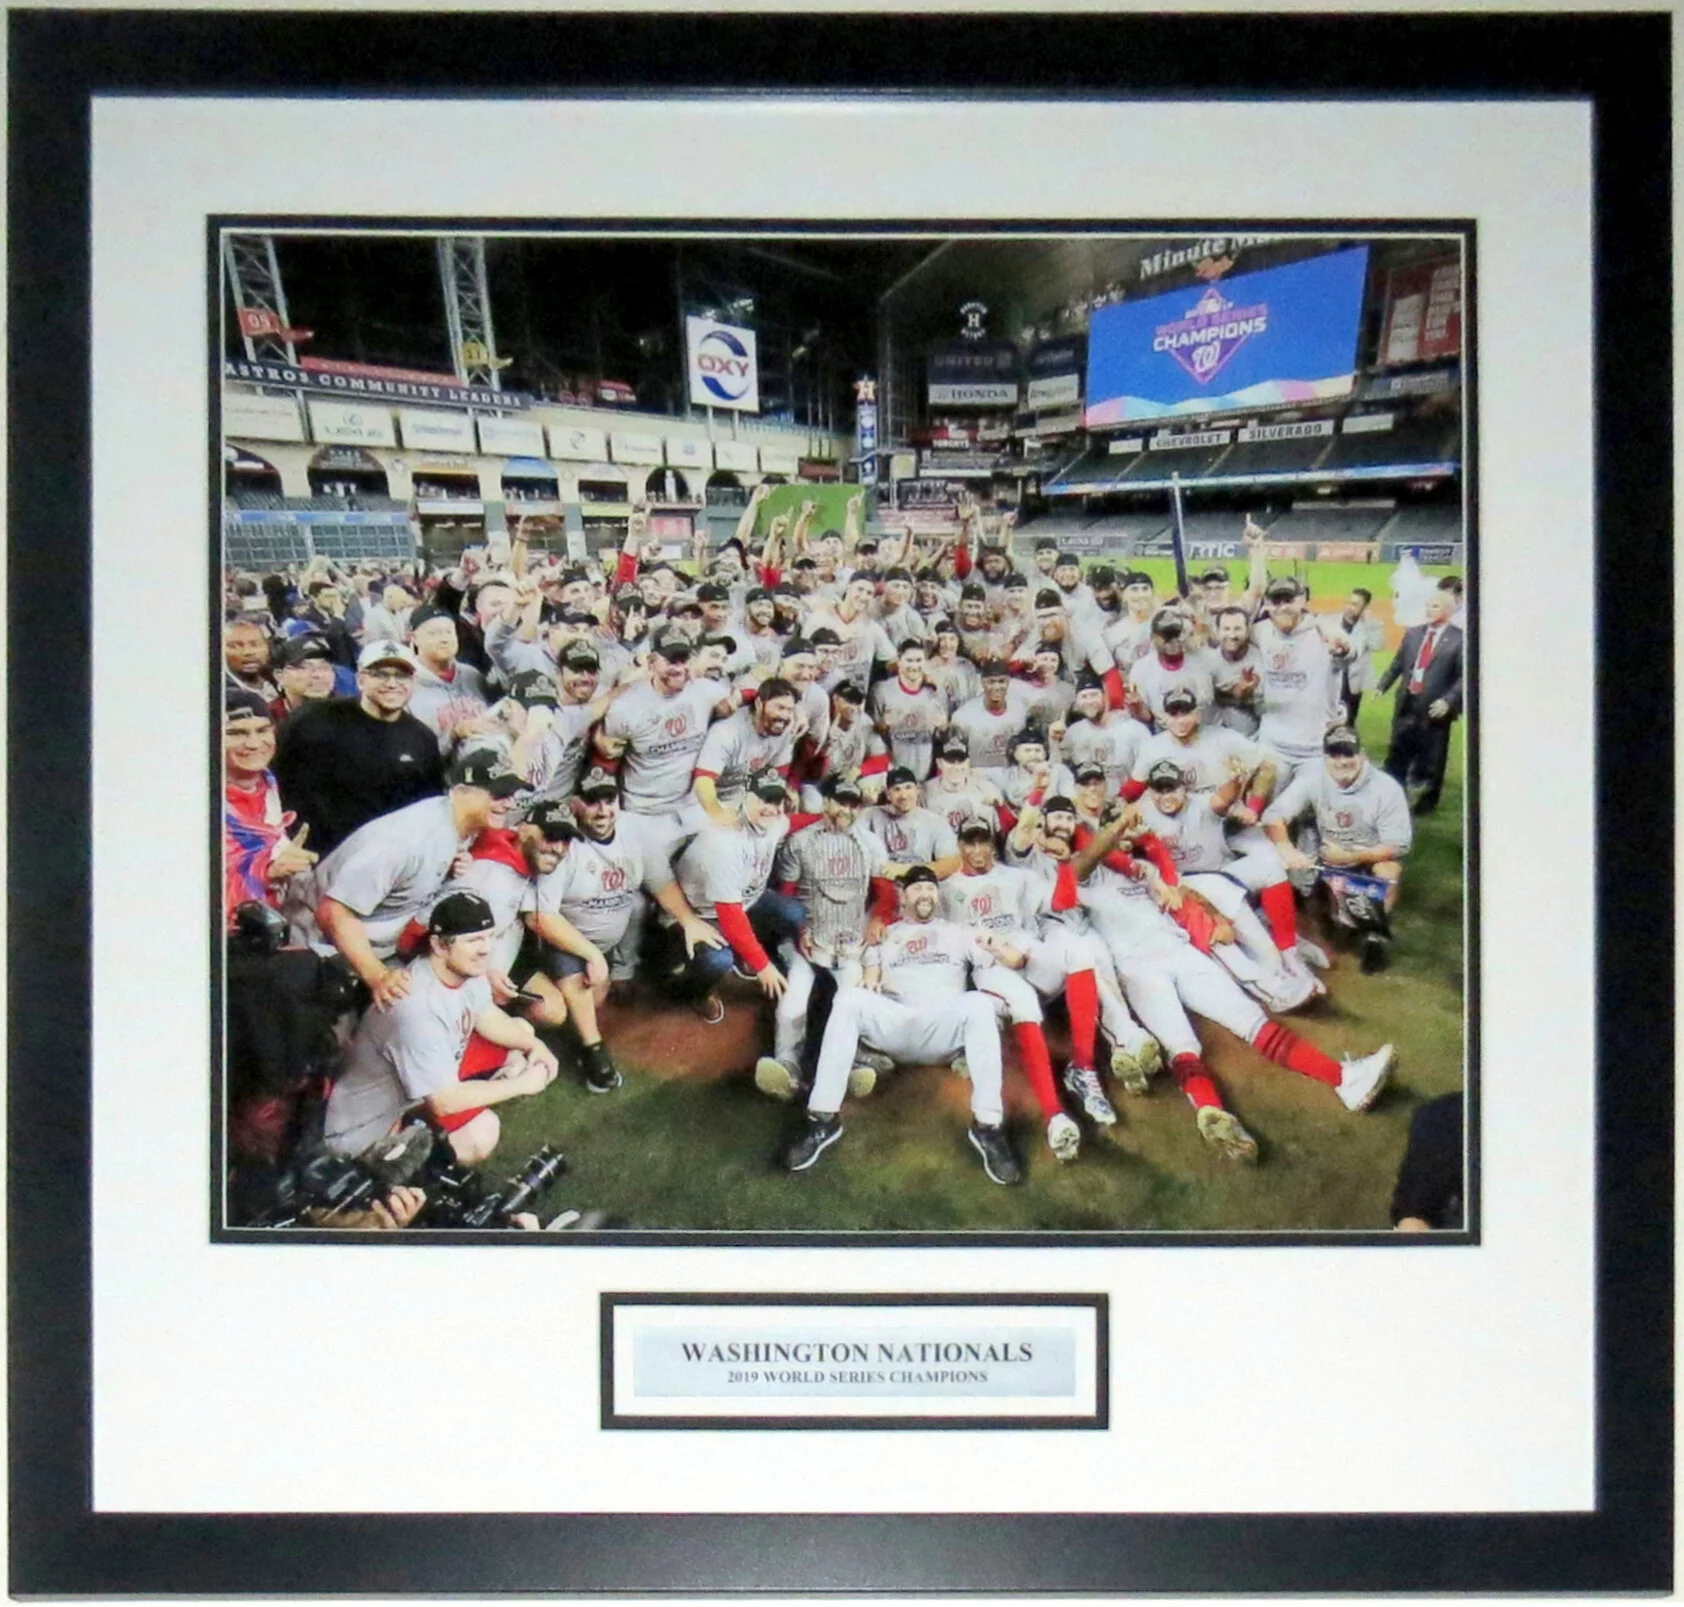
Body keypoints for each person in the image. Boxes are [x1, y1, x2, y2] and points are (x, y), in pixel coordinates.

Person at [1071, 807, 1398, 1161]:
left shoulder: (1143, 868)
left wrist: (1151, 850)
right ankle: (1225, 1108)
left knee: (1247, 1023)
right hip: (1137, 971)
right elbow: (1084, 862)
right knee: (1183, 1045)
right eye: (1114, 830)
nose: (1125, 834)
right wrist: (1119, 826)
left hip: (1181, 953)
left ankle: (1326, 1082)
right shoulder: (1085, 874)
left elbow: (1180, 892)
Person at [780, 864, 1025, 1186]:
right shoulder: (885, 935)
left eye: (930, 888)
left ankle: (988, 1126)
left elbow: (1016, 960)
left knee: (979, 1003)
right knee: (850, 999)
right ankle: (823, 1118)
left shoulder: (959, 931)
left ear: (938, 895)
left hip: (941, 1027)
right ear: (903, 896)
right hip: (897, 1025)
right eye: (916, 888)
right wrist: (871, 979)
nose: (924, 894)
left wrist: (996, 942)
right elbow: (870, 976)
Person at [322, 890, 560, 1166]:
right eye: (473, 940)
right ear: (439, 945)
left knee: (521, 1034)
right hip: (364, 1134)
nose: (486, 949)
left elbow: (488, 1018)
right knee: (481, 1133)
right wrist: (521, 1086)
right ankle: (415, 1170)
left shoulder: (466, 971)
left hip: (410, 1092)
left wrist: (536, 1046)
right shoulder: (416, 1008)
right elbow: (444, 1101)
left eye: (489, 937)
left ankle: (428, 1129)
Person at [537, 767, 724, 1072]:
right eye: (592, 801)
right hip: (567, 941)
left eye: (608, 800)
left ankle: (622, 973)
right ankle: (593, 1050)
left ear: (618, 802)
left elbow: (660, 881)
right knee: (562, 1008)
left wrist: (688, 920)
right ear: (574, 804)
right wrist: (591, 954)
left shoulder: (635, 831)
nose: (602, 810)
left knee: (635, 905)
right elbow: (541, 917)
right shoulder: (562, 840)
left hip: (609, 938)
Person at [304, 750, 523, 1007]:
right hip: (319, 951)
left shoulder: (460, 824)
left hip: (378, 949)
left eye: (511, 795)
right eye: (497, 795)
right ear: (462, 791)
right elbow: (332, 912)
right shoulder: (406, 841)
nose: (508, 804)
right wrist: (377, 975)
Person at [272, 639, 448, 857]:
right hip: (314, 857)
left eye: (401, 675)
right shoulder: (311, 720)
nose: (392, 683)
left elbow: (429, 811)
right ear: (360, 680)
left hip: (384, 861)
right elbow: (271, 782)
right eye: (380, 674)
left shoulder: (422, 738)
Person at [1264, 725, 1413, 973]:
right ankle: (1319, 916)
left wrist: (1350, 856)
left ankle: (1374, 938)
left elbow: (1397, 845)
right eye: (1335, 755)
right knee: (1292, 872)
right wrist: (1286, 847)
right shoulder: (1313, 778)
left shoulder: (1386, 788)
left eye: (1349, 754)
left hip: (1367, 858)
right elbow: (1273, 815)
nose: (1342, 761)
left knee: (1389, 871)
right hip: (1326, 856)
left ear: (1362, 755)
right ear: (1325, 757)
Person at [665, 768, 803, 1023]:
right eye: (764, 799)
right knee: (718, 961)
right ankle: (694, 992)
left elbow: (796, 822)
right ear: (745, 797)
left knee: (794, 913)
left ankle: (748, 952)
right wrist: (763, 966)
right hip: (699, 915)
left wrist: (832, 814)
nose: (771, 808)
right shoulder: (724, 841)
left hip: (744, 902)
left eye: (776, 800)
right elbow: (730, 917)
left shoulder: (775, 822)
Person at [595, 627, 735, 872]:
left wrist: (796, 711)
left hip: (692, 806)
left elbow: (747, 698)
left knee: (726, 853)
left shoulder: (705, 690)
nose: (679, 668)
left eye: (683, 660)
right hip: (645, 811)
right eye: (671, 660)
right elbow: (605, 765)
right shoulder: (626, 707)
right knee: (643, 894)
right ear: (651, 662)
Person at [223, 689, 317, 929]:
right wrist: (267, 871)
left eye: (263, 730)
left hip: (277, 927)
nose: (254, 743)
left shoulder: (276, 786)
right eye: (236, 733)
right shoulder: (197, 803)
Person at [1376, 587, 1464, 815]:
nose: (1429, 609)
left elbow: (1465, 676)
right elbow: (1398, 663)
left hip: (1435, 708)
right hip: (1407, 701)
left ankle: (1426, 802)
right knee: (1398, 749)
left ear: (1447, 610)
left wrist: (1448, 700)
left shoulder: (1459, 639)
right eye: (1428, 605)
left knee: (1432, 755)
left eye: (1434, 606)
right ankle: (1392, 795)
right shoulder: (1414, 633)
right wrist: (1383, 684)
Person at [405, 601, 494, 754]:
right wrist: (453, 734)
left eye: (449, 632)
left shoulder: (472, 676)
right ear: (414, 638)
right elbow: (411, 753)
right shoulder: (407, 685)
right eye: (434, 633)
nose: (444, 639)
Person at [869, 640, 948, 779]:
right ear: (899, 661)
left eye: (918, 660)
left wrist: (943, 727)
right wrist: (883, 724)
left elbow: (944, 734)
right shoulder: (882, 690)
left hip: (927, 769)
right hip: (892, 771)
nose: (914, 666)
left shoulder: (936, 691)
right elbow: (872, 733)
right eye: (909, 660)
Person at [269, 632, 339, 726]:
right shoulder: (267, 719)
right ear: (279, 676)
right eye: (304, 667)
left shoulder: (352, 715)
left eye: (324, 667)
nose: (318, 675)